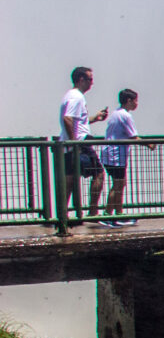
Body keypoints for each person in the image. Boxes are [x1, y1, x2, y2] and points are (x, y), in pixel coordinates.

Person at [98, 89, 158, 226]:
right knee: (118, 184)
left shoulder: (116, 113)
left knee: (120, 183)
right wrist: (149, 144)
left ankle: (119, 214)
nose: (137, 103)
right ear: (129, 101)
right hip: (116, 156)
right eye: (135, 100)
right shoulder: (125, 116)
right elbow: (133, 137)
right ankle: (108, 215)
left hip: (111, 154)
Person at [58, 66, 107, 223]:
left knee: (70, 178)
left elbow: (77, 121)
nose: (92, 83)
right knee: (98, 173)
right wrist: (75, 143)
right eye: (90, 79)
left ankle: (62, 214)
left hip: (70, 143)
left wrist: (95, 118)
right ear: (81, 79)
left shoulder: (71, 96)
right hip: (80, 142)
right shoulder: (76, 97)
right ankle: (93, 212)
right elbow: (68, 118)